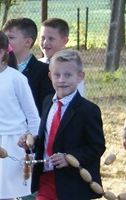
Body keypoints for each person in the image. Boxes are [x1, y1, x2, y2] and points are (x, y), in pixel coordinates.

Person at [18, 49, 105, 200]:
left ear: (80, 76)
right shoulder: (47, 102)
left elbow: (97, 146)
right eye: (57, 75)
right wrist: (30, 145)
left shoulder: (88, 110)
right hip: (46, 178)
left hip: (73, 184)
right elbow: (48, 137)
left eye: (68, 75)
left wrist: (69, 158)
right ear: (50, 76)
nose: (61, 80)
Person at [0, 29, 41, 200]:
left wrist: (34, 146)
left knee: (5, 194)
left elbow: (32, 115)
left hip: (13, 144)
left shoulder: (16, 78)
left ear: (0, 53)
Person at [4, 17, 53, 112]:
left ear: (28, 42)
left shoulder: (43, 72)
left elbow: (44, 108)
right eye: (4, 38)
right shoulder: (0, 69)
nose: (5, 42)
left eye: (11, 38)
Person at [39, 18, 84, 95]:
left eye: (51, 39)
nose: (45, 43)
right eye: (42, 38)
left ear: (64, 41)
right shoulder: (37, 64)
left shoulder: (71, 66)